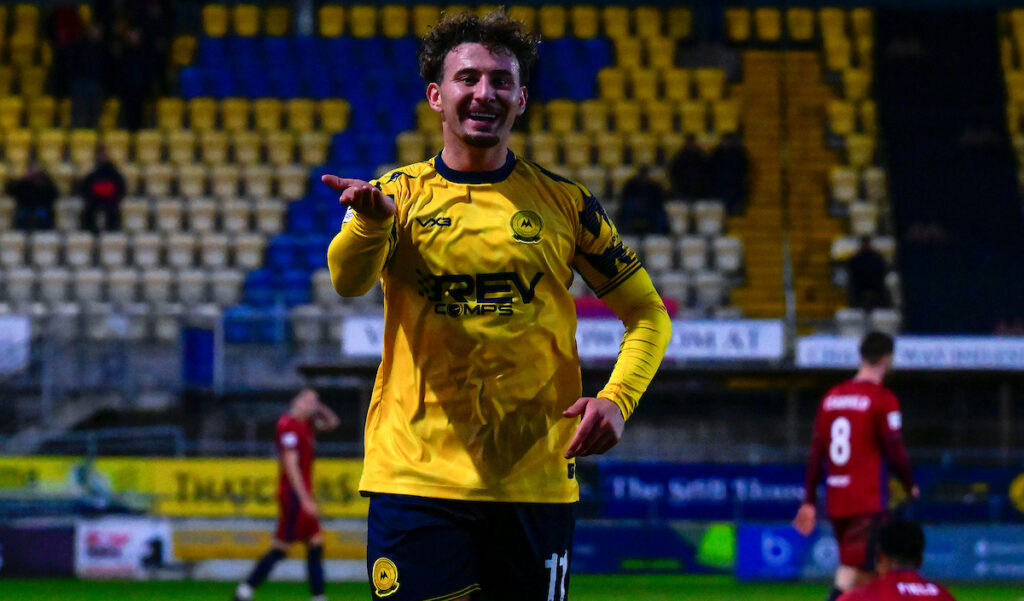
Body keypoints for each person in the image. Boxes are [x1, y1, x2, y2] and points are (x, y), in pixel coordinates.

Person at [321, 11, 671, 601]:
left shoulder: (565, 203)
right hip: (416, 479)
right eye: (467, 78)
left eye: (501, 80)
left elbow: (649, 315)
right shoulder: (396, 196)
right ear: (436, 96)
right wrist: (370, 225)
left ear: (521, 99)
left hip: (534, 481)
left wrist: (617, 399)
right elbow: (347, 281)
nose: (485, 92)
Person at [794, 331, 919, 601]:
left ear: (861, 357)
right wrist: (909, 484)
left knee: (866, 575)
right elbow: (895, 450)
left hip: (837, 501)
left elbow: (817, 453)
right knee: (854, 573)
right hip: (867, 501)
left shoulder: (831, 397)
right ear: (886, 359)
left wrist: (809, 500)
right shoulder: (883, 399)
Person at [234, 389, 340, 601]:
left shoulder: (307, 425)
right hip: (293, 495)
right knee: (283, 546)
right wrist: (304, 499)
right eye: (307, 401)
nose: (311, 405)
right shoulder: (287, 425)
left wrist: (319, 408)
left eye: (314, 402)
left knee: (314, 542)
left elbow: (333, 423)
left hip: (301, 494)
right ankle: (246, 589)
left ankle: (317, 595)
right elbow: (291, 465)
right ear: (296, 401)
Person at [837, 519, 957, 601]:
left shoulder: (859, 597)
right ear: (920, 560)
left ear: (880, 557)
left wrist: (839, 590)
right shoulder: (943, 596)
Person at [79, 148, 127, 233]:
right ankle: (90, 231)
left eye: (103, 156)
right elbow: (84, 187)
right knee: (88, 211)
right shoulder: (93, 173)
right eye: (99, 156)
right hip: (95, 199)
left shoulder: (113, 172)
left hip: (111, 199)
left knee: (113, 211)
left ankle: (112, 231)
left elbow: (121, 187)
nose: (101, 158)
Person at [617, 165, 669, 235]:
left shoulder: (654, 186)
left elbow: (659, 199)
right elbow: (625, 197)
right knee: (626, 207)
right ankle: (624, 229)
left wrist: (647, 202)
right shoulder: (631, 184)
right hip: (634, 206)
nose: (644, 177)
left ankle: (659, 231)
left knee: (659, 212)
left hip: (649, 206)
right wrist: (637, 202)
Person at [7, 161, 59, 231]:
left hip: (41, 209)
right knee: (21, 215)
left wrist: (44, 181)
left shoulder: (46, 183)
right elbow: (10, 191)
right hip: (25, 209)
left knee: (44, 214)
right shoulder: (23, 183)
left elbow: (54, 194)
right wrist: (21, 179)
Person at [847, 237, 892, 312]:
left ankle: (883, 309)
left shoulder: (877, 258)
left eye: (867, 244)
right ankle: (855, 308)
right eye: (865, 244)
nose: (866, 246)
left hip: (875, 285)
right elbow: (852, 273)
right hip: (860, 285)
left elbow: (882, 271)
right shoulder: (855, 259)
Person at [668, 134, 709, 200]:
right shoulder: (680, 156)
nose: (692, 145)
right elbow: (674, 171)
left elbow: (706, 170)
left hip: (699, 188)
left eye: (693, 143)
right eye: (690, 143)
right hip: (684, 188)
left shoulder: (700, 155)